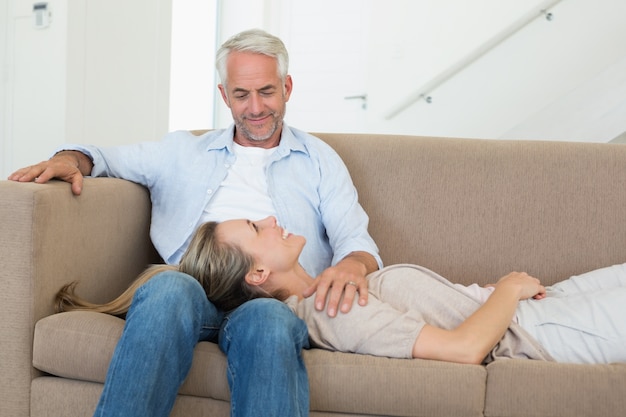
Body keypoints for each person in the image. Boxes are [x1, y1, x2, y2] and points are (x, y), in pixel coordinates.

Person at [8, 29, 382, 417]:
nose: (255, 107)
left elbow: (356, 240)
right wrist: (69, 160)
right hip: (194, 290)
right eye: (241, 94)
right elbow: (100, 156)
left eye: (267, 92)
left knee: (269, 320)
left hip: (272, 298)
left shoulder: (319, 159)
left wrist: (353, 264)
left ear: (287, 87)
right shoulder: (182, 152)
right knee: (169, 287)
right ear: (224, 95)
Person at [58, 216, 626, 365]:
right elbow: (464, 351)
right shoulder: (329, 313)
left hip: (545, 304)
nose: (270, 219)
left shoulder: (337, 283)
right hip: (541, 333)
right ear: (258, 277)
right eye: (257, 230)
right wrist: (506, 290)